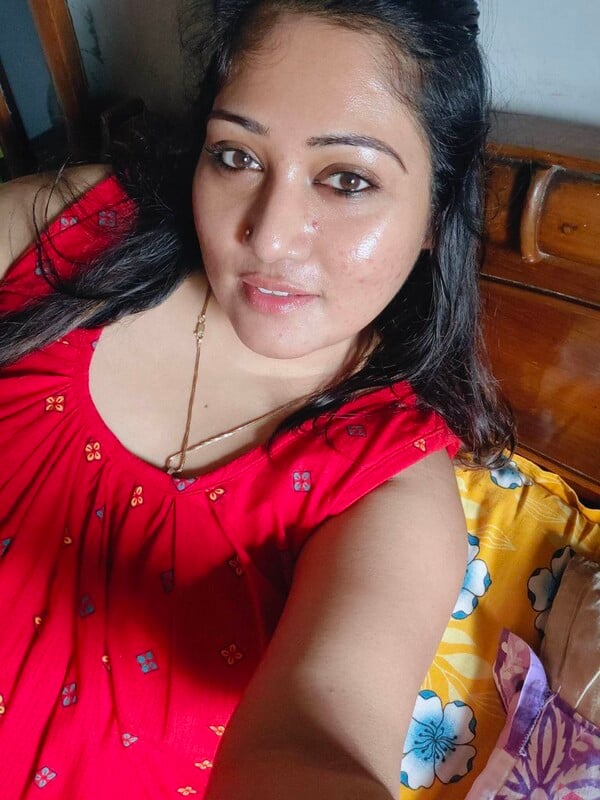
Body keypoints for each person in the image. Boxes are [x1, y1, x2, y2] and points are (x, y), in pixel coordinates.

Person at [0, 1, 514, 797]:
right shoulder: (69, 237)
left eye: (347, 180)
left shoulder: (387, 492)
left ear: (435, 215)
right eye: (236, 157)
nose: (269, 237)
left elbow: (317, 740)